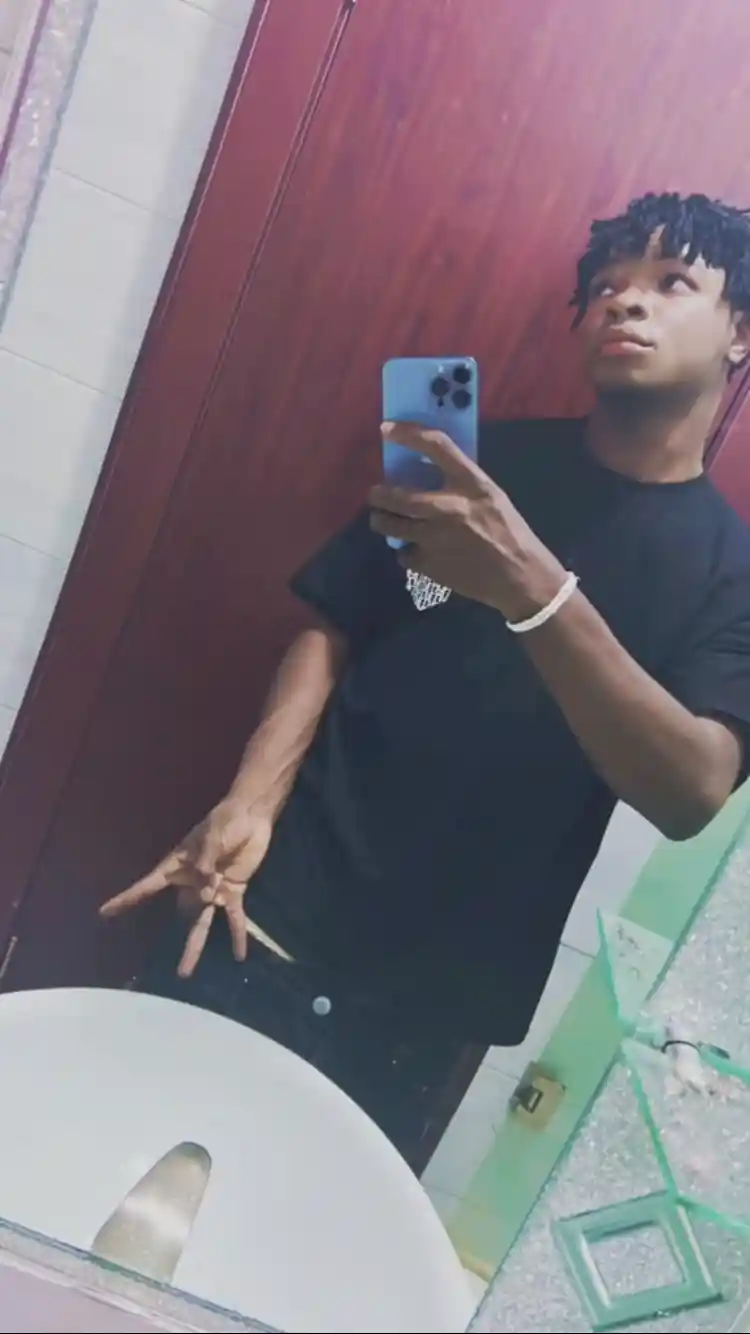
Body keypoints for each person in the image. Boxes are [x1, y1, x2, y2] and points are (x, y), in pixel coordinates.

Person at [101, 192, 750, 1164]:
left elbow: (690, 790)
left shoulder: (732, 573)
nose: (624, 301)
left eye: (671, 282)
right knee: (115, 1175)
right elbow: (337, 624)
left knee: (310, 1249)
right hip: (267, 912)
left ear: (740, 332)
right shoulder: (471, 459)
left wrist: (532, 585)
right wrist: (249, 801)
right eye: (607, 286)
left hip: (429, 1011)